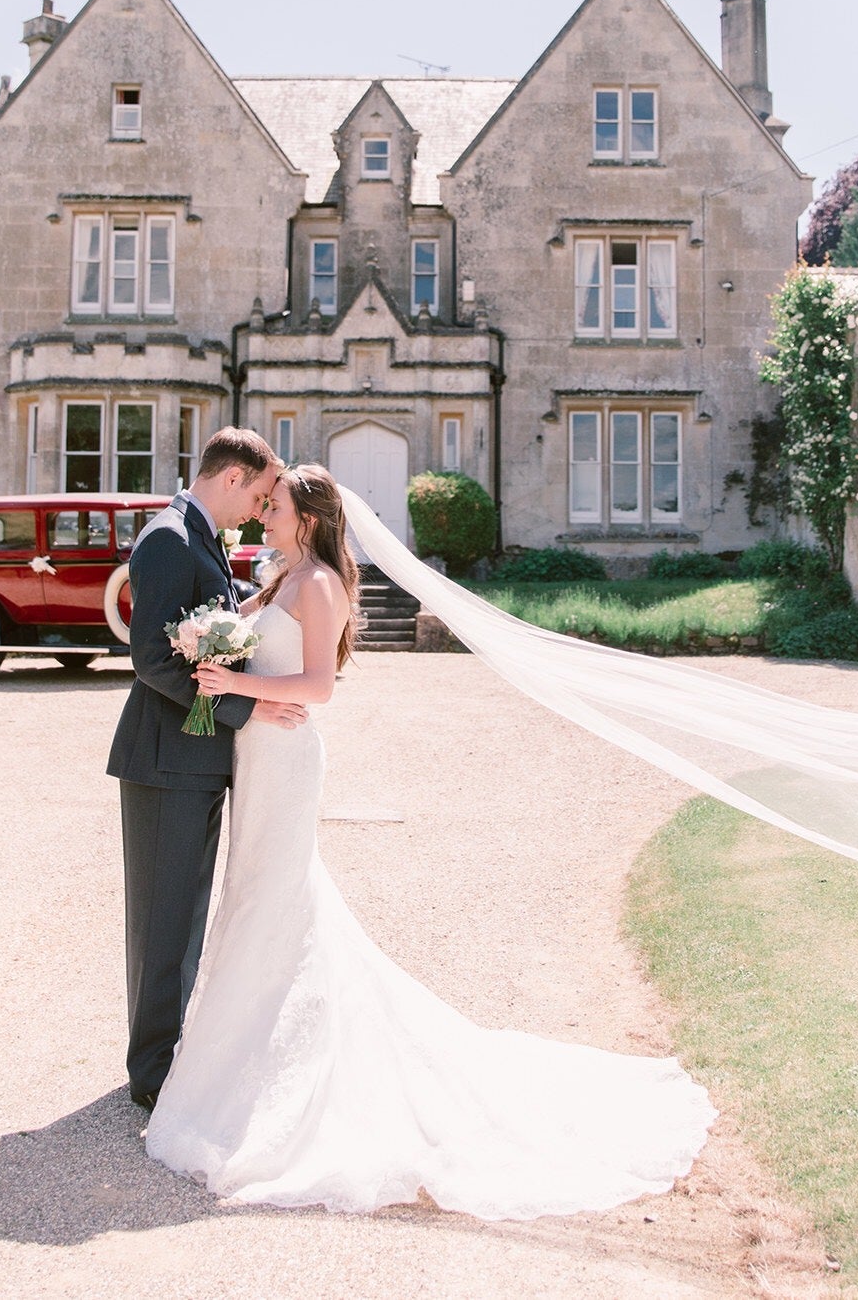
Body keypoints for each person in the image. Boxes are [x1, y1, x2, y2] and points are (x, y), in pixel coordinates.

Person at [142, 464, 715, 1217]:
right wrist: (206, 648)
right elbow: (244, 638)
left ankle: (271, 1081)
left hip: (285, 759)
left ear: (307, 518)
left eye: (274, 506)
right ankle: (245, 1065)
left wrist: (234, 687)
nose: (262, 516)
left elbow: (319, 686)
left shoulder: (319, 586)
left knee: (272, 905)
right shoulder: (285, 576)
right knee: (254, 901)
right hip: (257, 758)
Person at [107, 426, 302, 1114]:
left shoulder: (203, 538)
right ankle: (152, 1073)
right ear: (230, 477)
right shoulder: (168, 537)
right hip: (165, 761)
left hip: (193, 762)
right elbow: (153, 659)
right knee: (162, 920)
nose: (257, 507)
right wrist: (240, 713)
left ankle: (167, 1052)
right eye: (255, 492)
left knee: (184, 916)